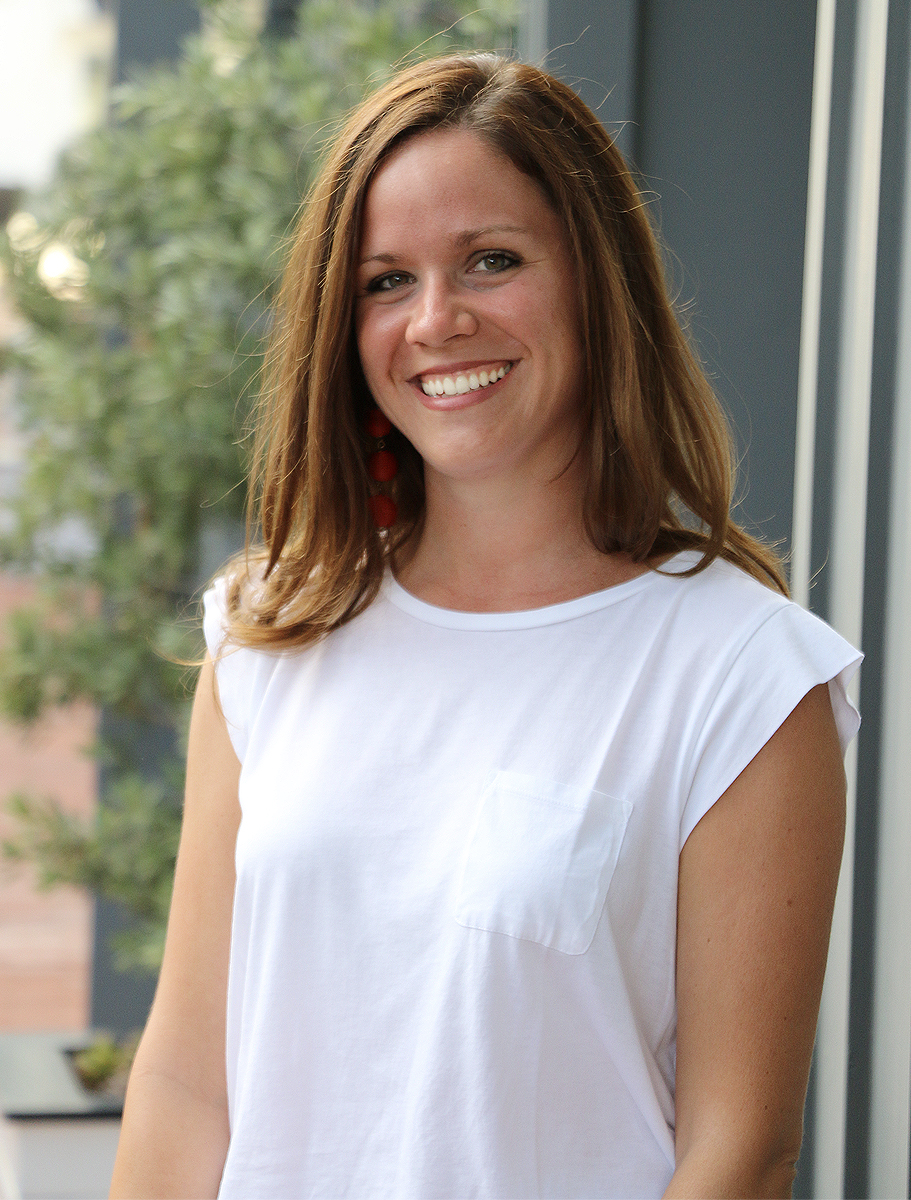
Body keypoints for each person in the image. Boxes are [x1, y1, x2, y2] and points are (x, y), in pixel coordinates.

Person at [109, 53, 861, 1200]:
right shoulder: (268, 635)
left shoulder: (742, 679)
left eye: (490, 261)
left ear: (593, 282)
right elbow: (186, 1084)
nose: (436, 321)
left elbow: (737, 1154)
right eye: (384, 282)